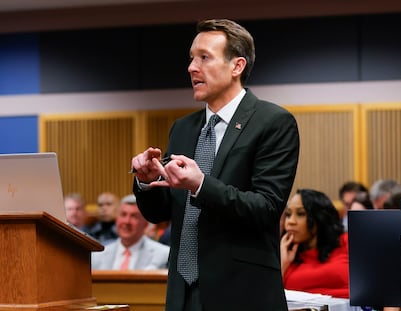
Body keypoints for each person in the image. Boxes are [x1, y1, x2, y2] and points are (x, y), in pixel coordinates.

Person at [131, 19, 300, 311]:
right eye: (191, 58)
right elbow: (160, 212)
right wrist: (146, 183)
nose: (192, 67)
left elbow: (266, 208)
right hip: (182, 293)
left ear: (237, 66)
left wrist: (200, 185)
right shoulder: (182, 128)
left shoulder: (272, 122)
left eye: (204, 58)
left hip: (241, 293)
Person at [281, 189, 349, 298]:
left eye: (301, 214)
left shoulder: (345, 242)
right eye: (288, 214)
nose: (290, 221)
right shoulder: (284, 256)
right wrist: (283, 263)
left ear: (319, 217)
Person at [91, 194, 170, 270]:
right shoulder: (97, 255)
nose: (127, 221)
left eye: (134, 216)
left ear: (145, 224)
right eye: (123, 215)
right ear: (116, 219)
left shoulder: (163, 255)